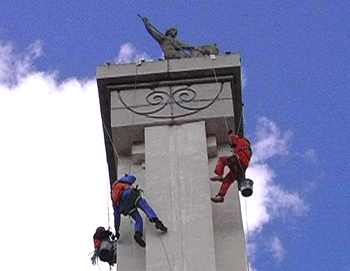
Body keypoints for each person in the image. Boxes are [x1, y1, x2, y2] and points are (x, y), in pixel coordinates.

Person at [111, 173, 167, 247]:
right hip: (129, 195)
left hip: (125, 207)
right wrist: (126, 176)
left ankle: (138, 234)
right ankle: (156, 220)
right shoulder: (121, 182)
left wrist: (117, 229)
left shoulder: (113, 196)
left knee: (138, 219)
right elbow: (133, 178)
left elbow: (116, 215)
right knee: (144, 205)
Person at [210, 130, 253, 203]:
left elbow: (234, 137)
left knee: (222, 159)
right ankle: (220, 196)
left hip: (238, 161)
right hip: (242, 166)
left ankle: (219, 175)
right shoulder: (247, 148)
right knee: (227, 180)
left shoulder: (241, 140)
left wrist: (230, 133)